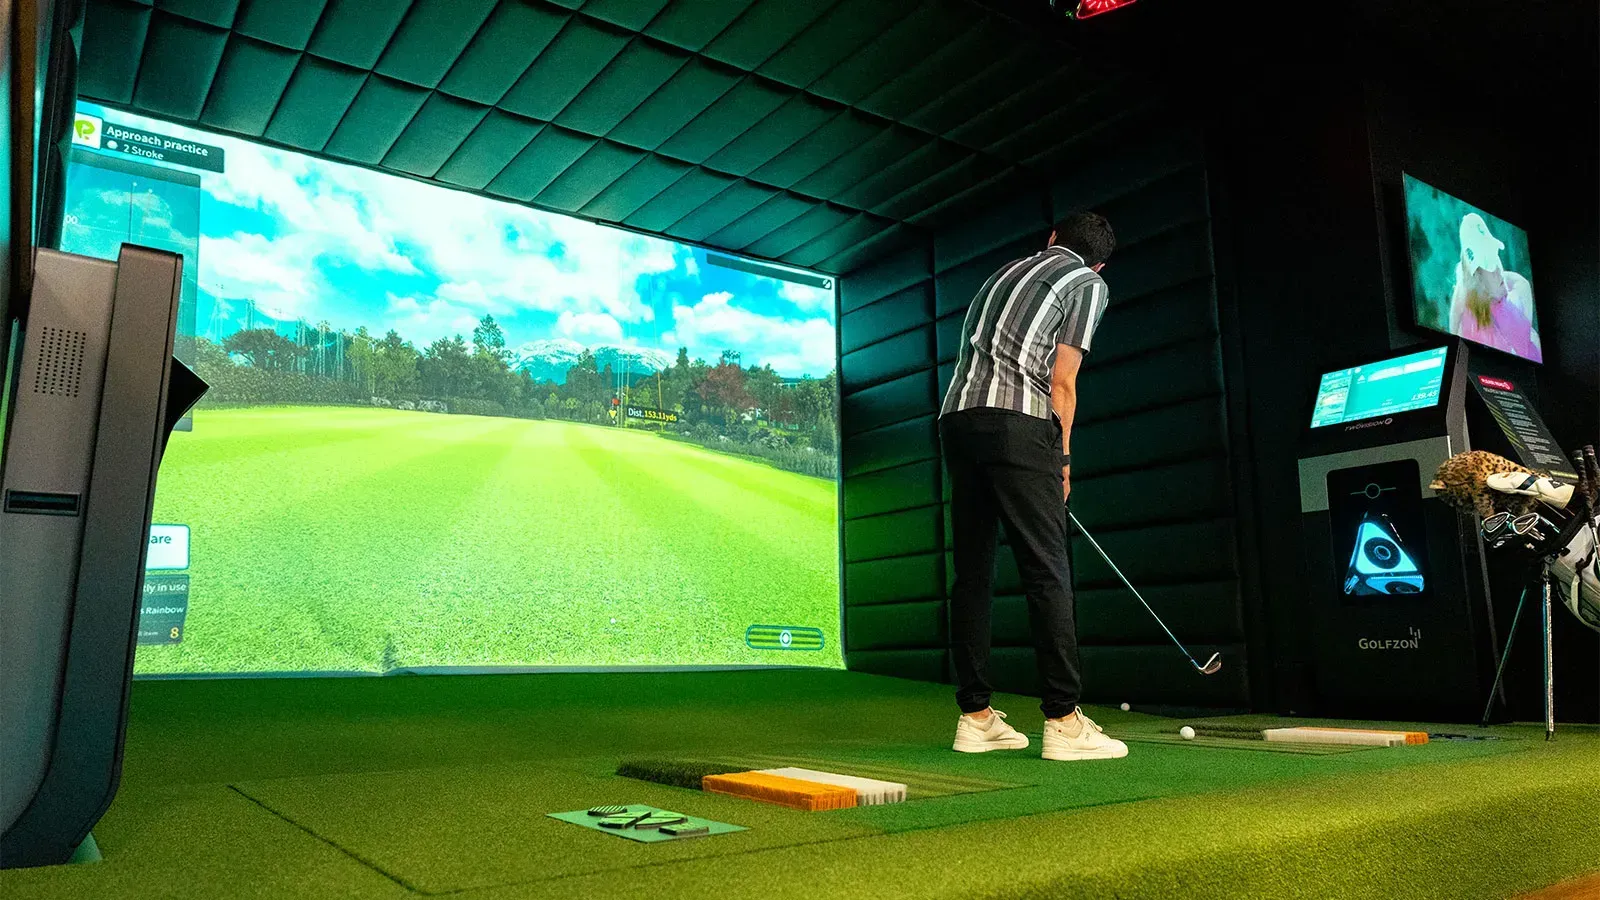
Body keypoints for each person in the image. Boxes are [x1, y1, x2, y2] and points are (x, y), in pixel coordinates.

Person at [938, 211, 1127, 761]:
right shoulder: (1089, 283)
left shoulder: (1004, 272)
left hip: (959, 421)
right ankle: (1064, 722)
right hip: (1018, 425)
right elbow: (1062, 380)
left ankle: (974, 716)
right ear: (1099, 261)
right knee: (1047, 569)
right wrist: (1062, 461)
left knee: (972, 572)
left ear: (1050, 239)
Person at [1448, 212, 1541, 361]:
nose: (1498, 269)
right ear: (1477, 279)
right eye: (1489, 263)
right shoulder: (1467, 323)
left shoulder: (1519, 290)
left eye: (1494, 254)